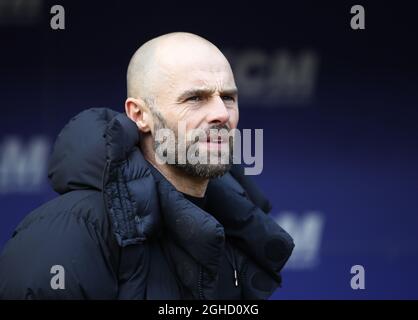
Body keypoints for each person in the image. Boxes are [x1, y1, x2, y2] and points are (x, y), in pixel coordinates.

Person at [0, 32, 294, 299]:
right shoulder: (70, 231)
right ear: (139, 114)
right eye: (195, 98)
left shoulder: (234, 226)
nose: (221, 113)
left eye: (228, 98)